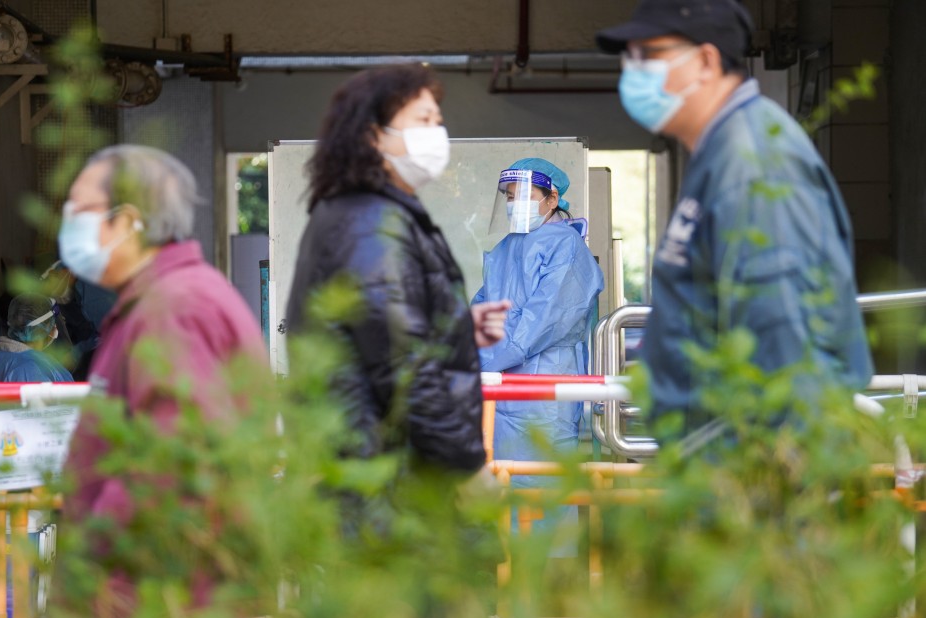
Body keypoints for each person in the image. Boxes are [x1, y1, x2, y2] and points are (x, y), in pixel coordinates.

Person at [595, 0, 873, 440]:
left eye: (648, 54)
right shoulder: (721, 153)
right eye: (629, 57)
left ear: (706, 61)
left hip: (751, 464)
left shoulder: (753, 162)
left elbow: (782, 350)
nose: (632, 70)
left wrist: (754, 475)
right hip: (714, 455)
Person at [58, 144, 265, 618]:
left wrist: (103, 581)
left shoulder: (172, 308)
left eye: (80, 210)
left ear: (129, 221)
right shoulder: (162, 300)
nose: (68, 223)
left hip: (147, 604)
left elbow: (170, 463)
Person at [286, 65, 511, 484]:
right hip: (384, 479)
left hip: (375, 470)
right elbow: (406, 372)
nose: (436, 134)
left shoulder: (366, 213)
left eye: (438, 121)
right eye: (423, 120)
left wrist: (454, 329)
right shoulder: (371, 225)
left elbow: (383, 334)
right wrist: (466, 468)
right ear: (374, 136)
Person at [472, 158, 604, 554]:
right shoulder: (505, 249)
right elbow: (481, 312)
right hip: (502, 395)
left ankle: (553, 585)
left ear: (552, 198)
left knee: (543, 490)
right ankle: (506, 580)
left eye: (524, 196)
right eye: (511, 198)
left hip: (544, 391)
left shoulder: (567, 248)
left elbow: (539, 323)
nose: (515, 205)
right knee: (503, 488)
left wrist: (479, 362)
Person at [0, 293, 74, 383]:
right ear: (39, 330)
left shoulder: (10, 357)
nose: (55, 327)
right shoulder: (27, 370)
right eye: (52, 323)